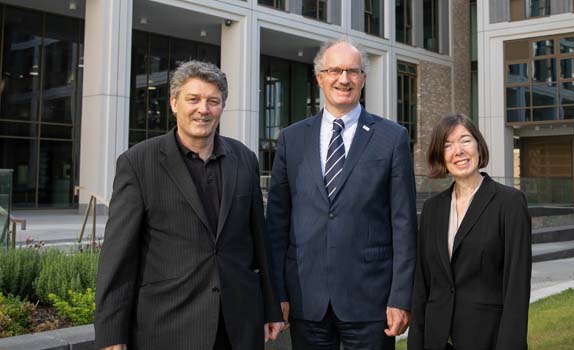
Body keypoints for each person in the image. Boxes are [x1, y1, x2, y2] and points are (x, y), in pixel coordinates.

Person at [94, 61, 283, 350]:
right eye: (193, 99)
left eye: (213, 101)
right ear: (173, 102)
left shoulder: (244, 159)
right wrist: (111, 335)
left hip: (239, 325)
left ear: (222, 106)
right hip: (169, 327)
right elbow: (118, 258)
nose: (203, 109)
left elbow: (259, 241)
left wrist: (270, 307)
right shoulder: (138, 163)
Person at [266, 38, 418, 349]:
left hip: (370, 300)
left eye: (352, 71)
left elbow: (403, 223)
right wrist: (276, 293)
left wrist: (401, 296)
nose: (343, 79)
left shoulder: (392, 137)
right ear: (319, 77)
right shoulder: (291, 139)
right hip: (306, 300)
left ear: (363, 78)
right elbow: (277, 225)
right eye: (334, 70)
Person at [407, 114, 532, 350]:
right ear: (440, 156)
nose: (458, 151)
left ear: (478, 145)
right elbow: (421, 286)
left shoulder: (510, 203)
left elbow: (517, 286)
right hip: (436, 340)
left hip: (486, 339)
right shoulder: (432, 209)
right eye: (447, 145)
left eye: (465, 140)